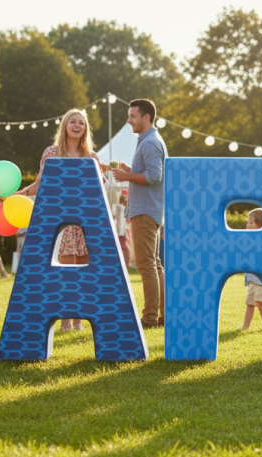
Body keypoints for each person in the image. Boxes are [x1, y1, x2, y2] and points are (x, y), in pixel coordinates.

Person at [17, 108, 109, 332]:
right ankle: (66, 320)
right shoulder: (51, 153)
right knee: (65, 272)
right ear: (65, 126)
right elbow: (39, 185)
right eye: (72, 122)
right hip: (59, 220)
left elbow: (100, 188)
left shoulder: (92, 157)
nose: (77, 125)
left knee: (85, 272)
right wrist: (18, 195)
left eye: (81, 123)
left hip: (87, 221)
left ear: (85, 128)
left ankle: (79, 320)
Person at [113, 99, 168, 329]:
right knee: (154, 265)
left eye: (133, 116)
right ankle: (163, 315)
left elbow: (155, 176)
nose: (129, 120)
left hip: (145, 211)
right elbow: (149, 173)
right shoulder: (148, 141)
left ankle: (149, 318)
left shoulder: (150, 143)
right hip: (149, 209)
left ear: (146, 117)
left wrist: (126, 177)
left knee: (147, 266)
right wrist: (130, 171)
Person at [242, 209, 262, 332]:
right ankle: (245, 327)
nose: (247, 225)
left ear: (260, 225)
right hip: (251, 279)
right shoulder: (248, 239)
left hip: (261, 280)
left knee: (260, 303)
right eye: (247, 222)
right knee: (249, 304)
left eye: (251, 223)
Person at [112, 194, 130, 268]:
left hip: (119, 231)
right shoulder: (120, 207)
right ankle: (125, 265)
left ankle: (124, 265)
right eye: (126, 201)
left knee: (123, 248)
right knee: (126, 249)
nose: (126, 203)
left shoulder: (116, 207)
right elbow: (120, 221)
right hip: (120, 232)